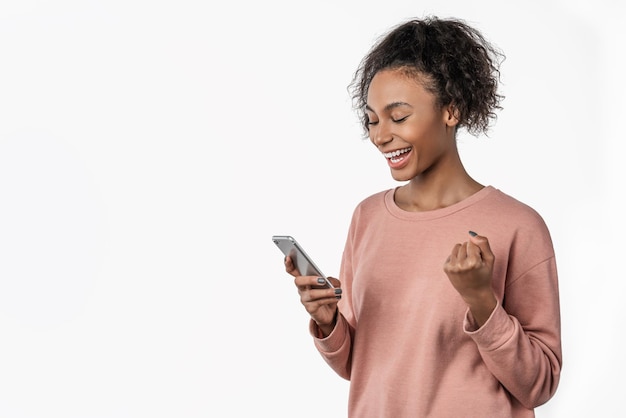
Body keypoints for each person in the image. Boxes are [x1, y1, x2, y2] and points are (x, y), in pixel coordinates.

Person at [283, 16, 562, 418]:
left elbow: (539, 384)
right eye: (372, 119)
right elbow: (359, 369)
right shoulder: (367, 218)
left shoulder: (518, 226)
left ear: (451, 110)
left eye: (398, 117)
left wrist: (481, 301)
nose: (380, 136)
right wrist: (329, 322)